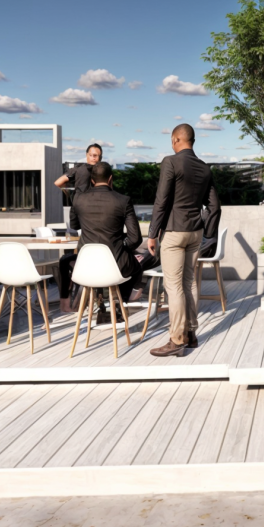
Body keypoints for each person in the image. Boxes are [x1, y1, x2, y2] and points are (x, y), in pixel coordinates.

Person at [147, 123, 221, 358]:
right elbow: (215, 207)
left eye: (172, 140)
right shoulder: (204, 168)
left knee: (174, 286)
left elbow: (161, 200)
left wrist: (152, 233)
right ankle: (190, 334)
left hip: (174, 231)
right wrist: (209, 234)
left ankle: (176, 339)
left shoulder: (171, 161)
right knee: (189, 283)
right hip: (195, 232)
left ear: (176, 139)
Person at [67, 161, 145, 323]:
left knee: (103, 270)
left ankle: (102, 304)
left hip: (85, 266)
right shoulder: (123, 200)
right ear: (110, 179)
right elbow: (135, 238)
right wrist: (122, 246)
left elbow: (74, 226)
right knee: (136, 266)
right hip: (115, 263)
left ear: (92, 181)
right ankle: (120, 303)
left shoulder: (78, 199)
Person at [55, 143, 103, 313]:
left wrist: (71, 194)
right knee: (87, 254)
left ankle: (68, 304)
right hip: (96, 216)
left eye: (95, 155)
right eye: (92, 155)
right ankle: (90, 300)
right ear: (88, 155)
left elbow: (58, 183)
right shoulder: (102, 172)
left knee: (73, 257)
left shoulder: (77, 170)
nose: (93, 158)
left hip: (79, 212)